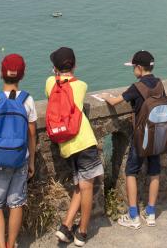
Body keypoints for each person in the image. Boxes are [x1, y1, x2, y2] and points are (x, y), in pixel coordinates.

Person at [47, 47, 104, 246]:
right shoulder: (81, 86)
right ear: (75, 65)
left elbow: (54, 83)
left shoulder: (49, 83)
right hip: (84, 141)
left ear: (54, 68)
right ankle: (82, 232)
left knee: (81, 186)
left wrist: (56, 73)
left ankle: (65, 226)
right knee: (87, 187)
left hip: (67, 144)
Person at [0, 54, 37, 248]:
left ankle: (1, 245)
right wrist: (32, 162)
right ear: (23, 75)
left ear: (1, 73)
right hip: (20, 159)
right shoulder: (27, 100)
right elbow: (31, 135)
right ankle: (11, 245)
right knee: (16, 203)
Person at [102, 50, 163, 228]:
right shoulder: (159, 83)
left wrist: (106, 97)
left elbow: (114, 102)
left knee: (131, 172)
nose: (133, 71)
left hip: (141, 136)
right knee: (154, 171)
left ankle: (133, 215)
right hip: (157, 134)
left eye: (133, 67)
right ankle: (151, 213)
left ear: (138, 68)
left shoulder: (137, 87)